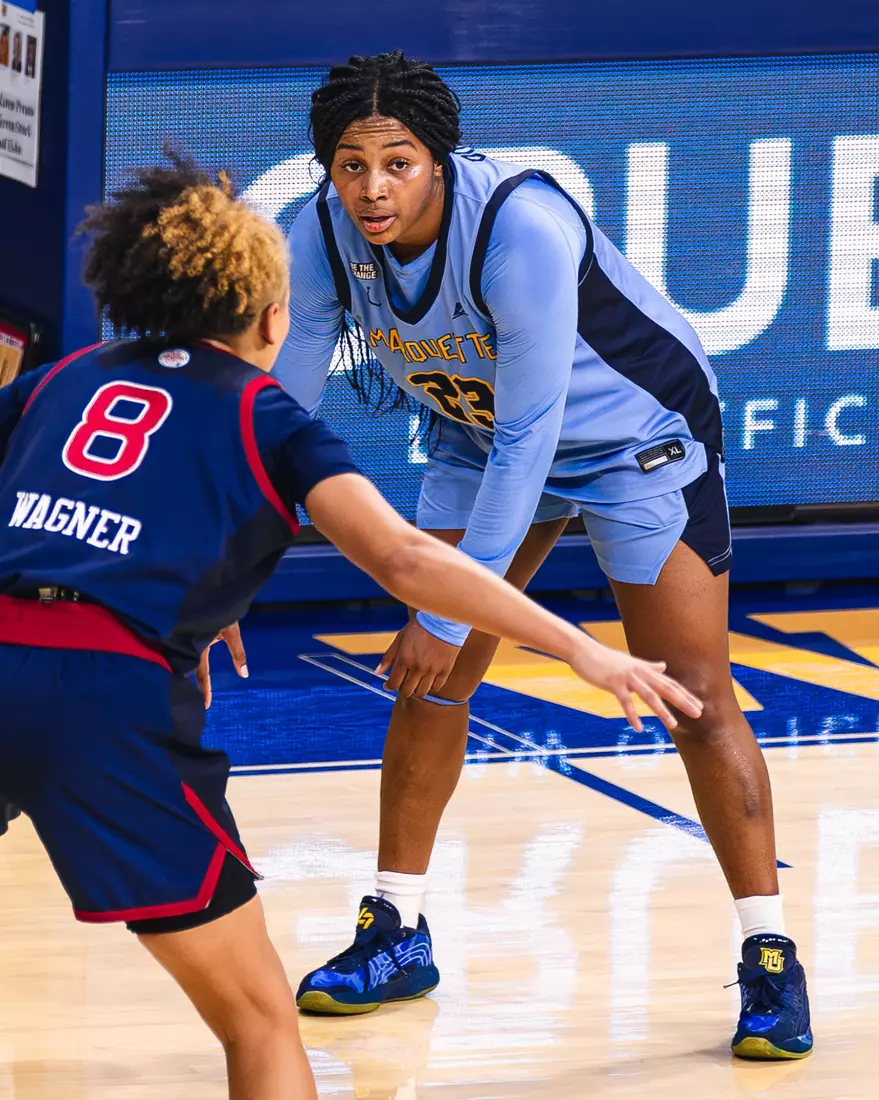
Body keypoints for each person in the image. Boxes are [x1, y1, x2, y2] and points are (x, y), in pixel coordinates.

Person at [0, 153, 699, 1100]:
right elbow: (407, 559)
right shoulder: (268, 415)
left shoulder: (59, 380)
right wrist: (579, 647)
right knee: (258, 1021)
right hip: (105, 700)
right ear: (272, 318)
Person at [276, 51, 812, 1060]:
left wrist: (444, 612)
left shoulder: (520, 223)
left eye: (397, 163)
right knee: (429, 682)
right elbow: (282, 412)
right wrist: (218, 551)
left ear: (439, 159)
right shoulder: (320, 232)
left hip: (632, 438)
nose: (373, 187)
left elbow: (534, 440)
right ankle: (396, 930)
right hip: (478, 440)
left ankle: (770, 957)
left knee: (694, 692)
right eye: (351, 165)